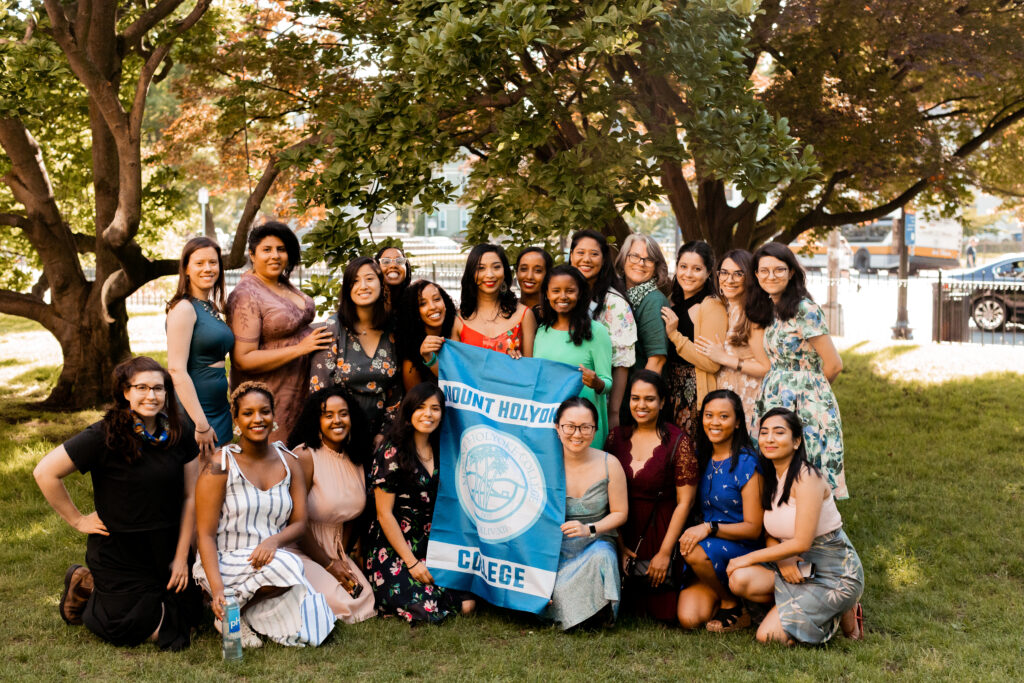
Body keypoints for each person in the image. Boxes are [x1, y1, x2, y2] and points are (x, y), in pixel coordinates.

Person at [33, 356, 201, 651]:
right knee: (131, 627)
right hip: (119, 550)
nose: (151, 395)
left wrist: (181, 556)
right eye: (142, 387)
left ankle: (94, 586)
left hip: (167, 546)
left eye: (159, 388)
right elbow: (45, 472)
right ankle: (90, 588)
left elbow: (190, 497)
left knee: (193, 618)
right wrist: (77, 520)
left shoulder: (179, 431)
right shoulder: (103, 435)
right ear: (126, 392)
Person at [193, 382, 335, 648]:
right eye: (248, 413)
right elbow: (205, 534)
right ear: (236, 419)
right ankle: (226, 604)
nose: (257, 419)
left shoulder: (288, 461)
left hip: (269, 559)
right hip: (226, 561)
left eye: (264, 411)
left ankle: (236, 611)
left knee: (313, 632)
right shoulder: (219, 464)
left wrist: (273, 542)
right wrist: (218, 587)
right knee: (291, 567)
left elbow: (300, 524)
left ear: (273, 416)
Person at [727, 408, 864, 645]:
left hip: (832, 573)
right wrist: (784, 560)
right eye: (764, 433)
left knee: (767, 636)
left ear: (796, 441)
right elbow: (770, 532)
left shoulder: (807, 477)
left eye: (779, 433)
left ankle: (844, 608)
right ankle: (800, 608)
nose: (769, 439)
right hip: (797, 567)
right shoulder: (771, 476)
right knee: (738, 579)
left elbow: (802, 542)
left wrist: (746, 558)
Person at [366, 383, 474, 623]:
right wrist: (411, 562)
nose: (428, 414)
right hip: (396, 547)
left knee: (467, 605)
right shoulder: (391, 451)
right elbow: (384, 515)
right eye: (421, 407)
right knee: (428, 610)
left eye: (435, 408)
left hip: (432, 543)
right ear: (408, 412)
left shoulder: (443, 448)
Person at [747, 242, 848, 499]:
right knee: (776, 476)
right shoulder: (771, 308)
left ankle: (815, 535)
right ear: (756, 275)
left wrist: (810, 396)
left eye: (779, 270)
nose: (771, 276)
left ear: (792, 272)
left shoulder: (805, 309)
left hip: (806, 403)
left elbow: (834, 364)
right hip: (774, 399)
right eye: (764, 271)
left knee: (806, 477)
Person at [605, 371, 697, 623]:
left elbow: (685, 502)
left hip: (660, 530)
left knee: (663, 610)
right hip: (622, 528)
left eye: (649, 399)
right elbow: (606, 496)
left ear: (663, 402)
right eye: (635, 398)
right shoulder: (616, 438)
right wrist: (619, 545)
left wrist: (666, 552)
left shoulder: (678, 441)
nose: (641, 405)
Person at [228, 221, 331, 441]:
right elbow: (242, 359)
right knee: (277, 461)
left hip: (300, 390)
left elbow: (293, 326)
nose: (275, 256)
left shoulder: (281, 283)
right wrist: (301, 348)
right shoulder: (246, 295)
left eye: (281, 249)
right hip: (271, 395)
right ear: (252, 255)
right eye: (267, 250)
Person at [286, 387, 376, 623]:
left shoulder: (356, 456)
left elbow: (353, 514)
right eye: (328, 415)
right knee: (343, 603)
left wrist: (341, 557)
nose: (337, 420)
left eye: (343, 414)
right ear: (317, 421)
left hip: (336, 549)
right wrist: (328, 564)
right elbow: (296, 521)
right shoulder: (305, 456)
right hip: (302, 547)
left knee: (364, 597)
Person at [677, 390, 763, 632]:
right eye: (708, 415)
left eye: (723, 416)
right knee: (690, 618)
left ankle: (733, 603)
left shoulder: (747, 463)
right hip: (708, 548)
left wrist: (708, 528)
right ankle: (720, 589)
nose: (714, 422)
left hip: (740, 545)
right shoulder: (701, 456)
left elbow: (754, 528)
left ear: (737, 423)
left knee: (693, 550)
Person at [544, 397, 628, 630]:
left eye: (585, 427)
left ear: (595, 429)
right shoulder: (545, 466)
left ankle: (600, 615)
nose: (577, 434)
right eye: (569, 426)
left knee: (603, 555)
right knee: (551, 585)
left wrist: (590, 529)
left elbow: (620, 513)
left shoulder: (609, 463)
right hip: (555, 549)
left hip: (595, 542)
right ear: (557, 427)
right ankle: (568, 611)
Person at [309, 257, 402, 440]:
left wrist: (384, 434)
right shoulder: (333, 329)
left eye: (369, 278)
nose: (363, 286)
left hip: (383, 435)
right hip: (338, 433)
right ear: (347, 288)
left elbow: (397, 392)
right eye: (355, 281)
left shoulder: (393, 330)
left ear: (381, 284)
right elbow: (319, 392)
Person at [166, 236, 234, 457]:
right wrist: (201, 423)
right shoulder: (184, 309)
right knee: (203, 481)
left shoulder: (211, 307)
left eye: (213, 263)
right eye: (200, 263)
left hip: (219, 407)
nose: (208, 268)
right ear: (186, 269)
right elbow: (176, 369)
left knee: (219, 480)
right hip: (198, 412)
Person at [534, 265, 613, 446]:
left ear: (580, 294)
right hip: (549, 426)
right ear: (546, 294)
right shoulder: (541, 331)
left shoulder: (597, 332)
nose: (562, 296)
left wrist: (596, 383)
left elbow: (607, 383)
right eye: (556, 291)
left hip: (584, 429)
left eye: (570, 291)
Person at [692, 249, 769, 435]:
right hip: (725, 398)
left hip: (748, 398)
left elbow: (766, 367)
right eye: (724, 273)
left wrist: (724, 358)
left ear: (749, 277)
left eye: (738, 274)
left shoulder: (752, 314)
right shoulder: (724, 307)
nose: (729, 279)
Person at [569, 229, 638, 431]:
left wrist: (613, 412)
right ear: (571, 255)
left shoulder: (614, 303)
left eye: (594, 254)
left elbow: (622, 363)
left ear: (604, 259)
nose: (586, 259)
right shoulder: (561, 296)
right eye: (580, 252)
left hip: (597, 400)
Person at [660, 241, 728, 442]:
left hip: (693, 395)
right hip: (671, 390)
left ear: (708, 273)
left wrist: (674, 335)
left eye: (697, 269)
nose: (688, 274)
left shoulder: (711, 306)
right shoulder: (674, 300)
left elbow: (711, 363)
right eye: (683, 267)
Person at [453, 244, 536, 358]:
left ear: (505, 271)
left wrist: (518, 364)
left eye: (496, 267)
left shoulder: (524, 315)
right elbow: (454, 370)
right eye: (481, 268)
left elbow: (531, 368)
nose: (490, 274)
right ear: (471, 273)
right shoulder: (459, 319)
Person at [614, 233, 670, 376]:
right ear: (623, 258)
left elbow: (656, 360)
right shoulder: (617, 295)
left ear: (656, 266)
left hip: (636, 392)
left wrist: (639, 396)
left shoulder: (653, 301)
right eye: (634, 256)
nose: (641, 263)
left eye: (649, 259)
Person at [396, 279, 456, 390]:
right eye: (423, 303)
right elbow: (416, 403)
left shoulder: (457, 333)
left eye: (437, 299)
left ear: (445, 302)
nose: (433, 307)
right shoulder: (412, 361)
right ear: (414, 312)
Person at [515, 246, 553, 312]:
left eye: (538, 270)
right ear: (517, 273)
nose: (529, 277)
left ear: (548, 275)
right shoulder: (507, 309)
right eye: (524, 269)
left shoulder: (555, 312)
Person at [375, 245, 412, 312]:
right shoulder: (369, 303)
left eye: (399, 261)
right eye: (386, 261)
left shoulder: (416, 300)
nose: (393, 265)